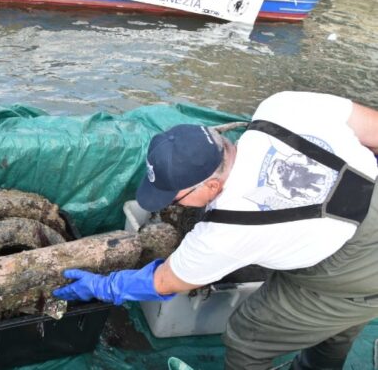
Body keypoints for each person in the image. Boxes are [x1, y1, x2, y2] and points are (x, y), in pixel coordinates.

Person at [53, 91, 378, 369]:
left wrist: (106, 285)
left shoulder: (226, 231)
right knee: (338, 320)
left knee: (249, 334)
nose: (173, 204)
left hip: (355, 265)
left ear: (210, 185)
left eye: (176, 197)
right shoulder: (281, 108)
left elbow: (166, 281)